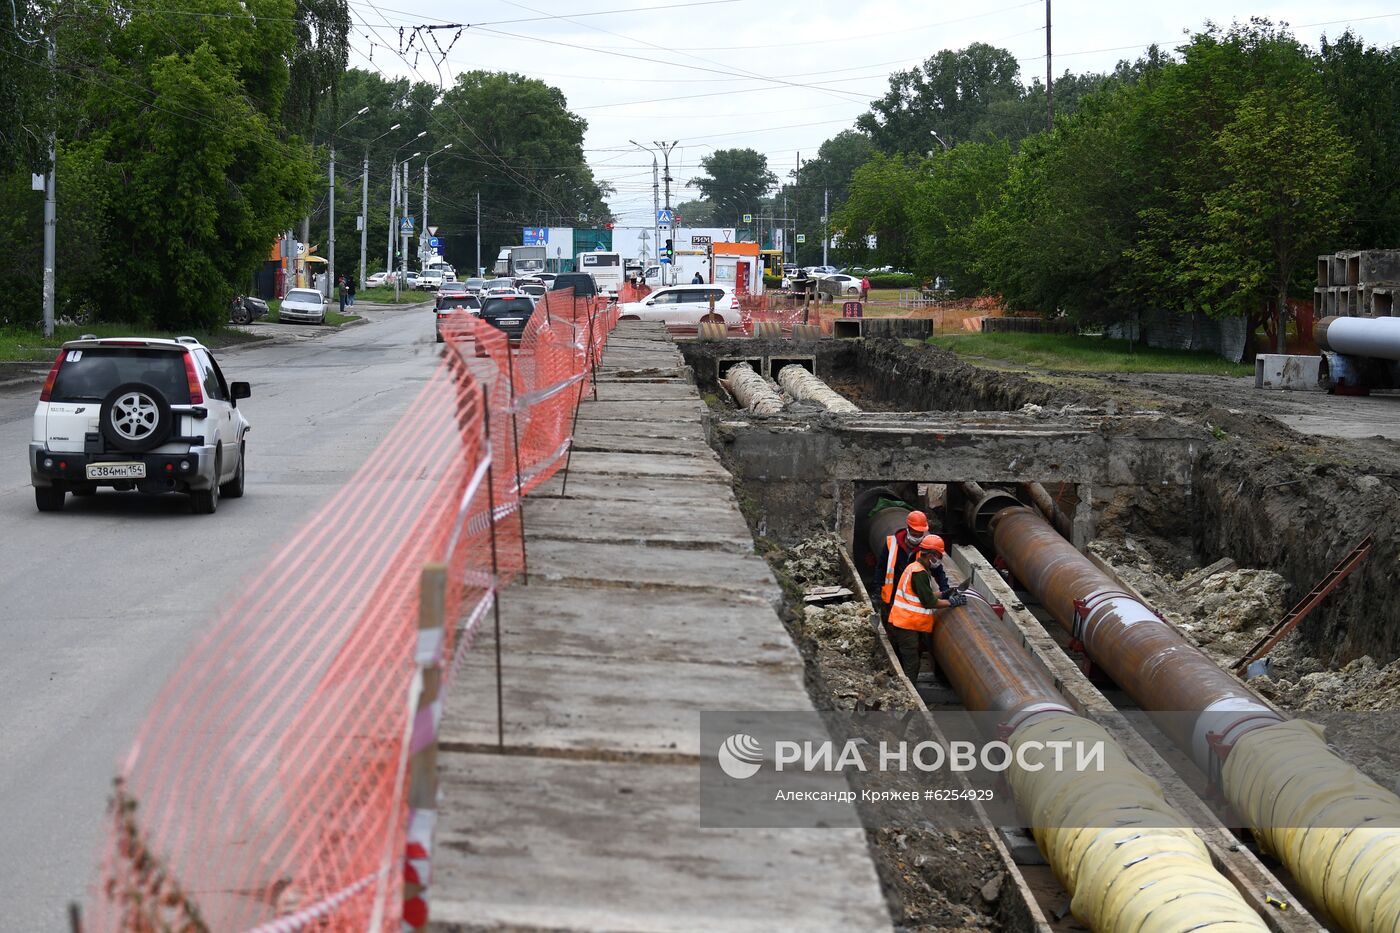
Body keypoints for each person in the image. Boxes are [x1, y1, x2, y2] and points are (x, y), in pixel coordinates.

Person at [885, 535, 966, 683]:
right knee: (912, 663)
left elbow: (921, 594)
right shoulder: (919, 573)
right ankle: (908, 695)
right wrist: (951, 602)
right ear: (931, 555)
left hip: (904, 622)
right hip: (906, 625)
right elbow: (928, 601)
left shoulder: (915, 567)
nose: (939, 560)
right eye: (939, 556)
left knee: (908, 659)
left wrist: (943, 593)